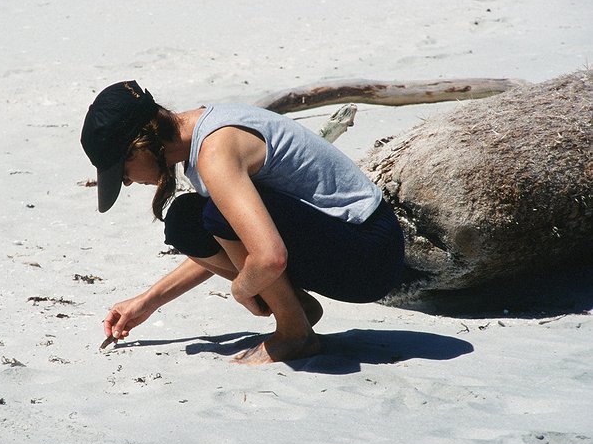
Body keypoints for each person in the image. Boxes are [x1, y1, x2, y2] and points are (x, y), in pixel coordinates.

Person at [80, 80, 404, 364]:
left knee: (213, 214)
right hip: (358, 242)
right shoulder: (205, 128)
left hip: (370, 253)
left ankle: (295, 333)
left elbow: (268, 258)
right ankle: (296, 310)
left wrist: (242, 290)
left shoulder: (215, 151)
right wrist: (148, 302)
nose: (128, 184)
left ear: (139, 148)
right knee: (186, 221)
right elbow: (234, 240)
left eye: (122, 173)